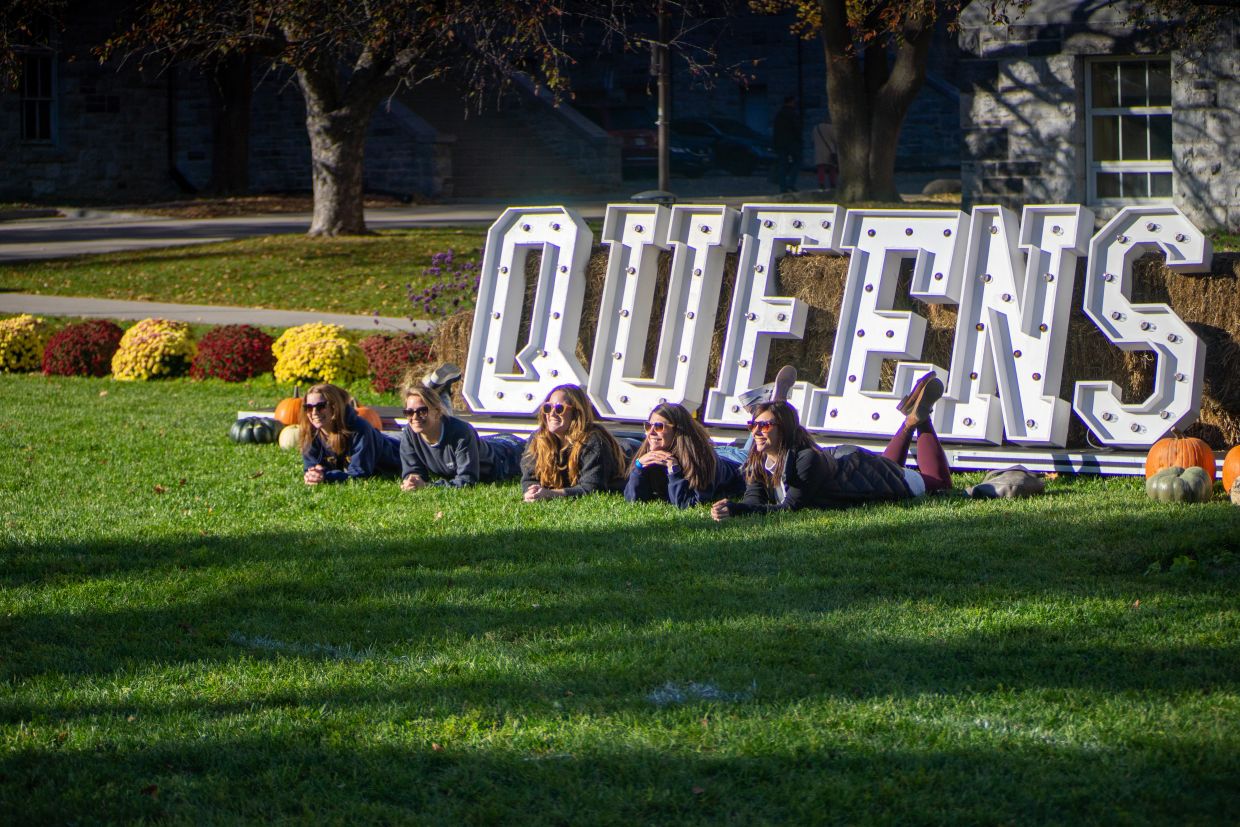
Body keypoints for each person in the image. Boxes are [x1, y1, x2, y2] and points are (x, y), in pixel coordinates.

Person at [710, 372, 951, 519]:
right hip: (852, 463)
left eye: (764, 426)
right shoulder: (759, 461)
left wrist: (740, 511)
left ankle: (921, 419)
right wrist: (733, 509)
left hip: (865, 473)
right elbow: (755, 500)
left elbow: (791, 508)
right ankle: (910, 420)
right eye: (752, 426)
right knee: (890, 467)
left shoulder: (805, 460)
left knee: (938, 485)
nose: (756, 432)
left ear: (783, 427)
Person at [398, 381, 525, 490]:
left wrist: (429, 486)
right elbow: (413, 471)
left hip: (508, 454)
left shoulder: (461, 432)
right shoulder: (410, 433)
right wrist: (413, 480)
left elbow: (467, 481)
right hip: (486, 443)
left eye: (422, 411)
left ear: (437, 412)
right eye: (409, 412)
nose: (414, 417)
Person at [624, 402, 745, 508]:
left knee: (759, 441)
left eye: (659, 427)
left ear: (677, 430)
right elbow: (634, 500)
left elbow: (692, 503)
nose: (651, 432)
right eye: (648, 426)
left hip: (736, 461)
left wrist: (674, 471)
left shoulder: (700, 458)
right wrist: (639, 468)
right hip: (718, 453)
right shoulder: (649, 454)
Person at [521, 384, 627, 501]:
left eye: (559, 409)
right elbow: (529, 478)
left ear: (576, 412)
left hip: (629, 448)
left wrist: (551, 494)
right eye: (547, 408)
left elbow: (592, 488)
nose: (551, 413)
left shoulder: (593, 442)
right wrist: (531, 492)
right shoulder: (538, 439)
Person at [299, 383, 401, 485]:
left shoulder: (360, 430)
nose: (314, 412)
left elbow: (360, 475)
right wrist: (313, 475)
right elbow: (310, 468)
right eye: (308, 407)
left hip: (398, 448)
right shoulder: (310, 432)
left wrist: (326, 477)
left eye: (320, 406)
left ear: (335, 406)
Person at [771, 95, 802, 193]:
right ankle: (790, 183)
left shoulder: (779, 115)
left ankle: (783, 187)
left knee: (782, 165)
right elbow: (797, 129)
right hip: (791, 142)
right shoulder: (792, 114)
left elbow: (776, 131)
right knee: (797, 161)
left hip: (781, 143)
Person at [813, 116, 838, 191]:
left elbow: (813, 140)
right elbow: (835, 139)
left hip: (819, 150)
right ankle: (832, 183)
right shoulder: (831, 128)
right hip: (830, 150)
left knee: (821, 168)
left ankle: (821, 183)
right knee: (832, 168)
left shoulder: (815, 128)